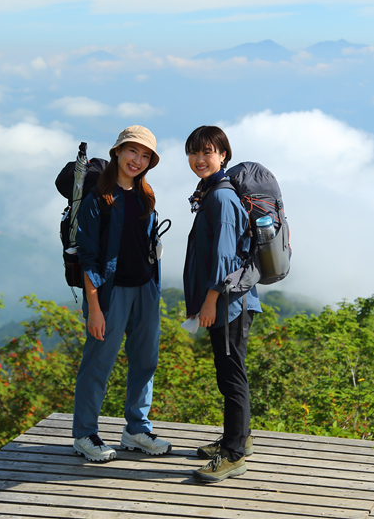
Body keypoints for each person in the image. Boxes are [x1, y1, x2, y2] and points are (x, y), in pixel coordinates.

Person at [71, 125, 171, 462]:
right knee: (98, 364)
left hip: (145, 289)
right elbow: (88, 258)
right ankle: (84, 434)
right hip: (110, 295)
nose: (138, 160)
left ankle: (136, 429)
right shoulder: (98, 198)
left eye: (145, 156)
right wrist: (95, 308)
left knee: (146, 361)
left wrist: (155, 290)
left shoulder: (145, 194)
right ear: (117, 151)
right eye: (133, 151)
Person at [183, 125, 262, 482]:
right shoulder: (211, 192)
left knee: (232, 378)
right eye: (194, 152)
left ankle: (233, 455)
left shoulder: (221, 197)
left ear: (223, 155)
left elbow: (224, 259)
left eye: (208, 152)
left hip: (229, 303)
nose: (200, 159)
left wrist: (210, 300)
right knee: (228, 375)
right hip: (228, 302)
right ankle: (236, 440)